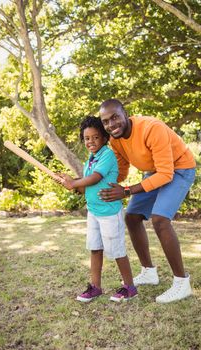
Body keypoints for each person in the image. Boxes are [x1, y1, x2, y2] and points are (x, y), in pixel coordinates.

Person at [98, 99, 196, 304]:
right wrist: (90, 183)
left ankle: (181, 282)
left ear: (125, 113)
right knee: (132, 217)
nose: (111, 124)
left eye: (115, 117)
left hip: (179, 168)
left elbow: (166, 174)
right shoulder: (115, 140)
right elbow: (121, 172)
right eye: (105, 121)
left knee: (160, 219)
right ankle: (149, 272)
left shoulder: (152, 128)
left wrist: (126, 191)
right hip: (154, 172)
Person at [57, 116, 137, 303]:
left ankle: (129, 287)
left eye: (95, 137)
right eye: (87, 138)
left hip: (109, 213)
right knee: (95, 249)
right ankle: (96, 287)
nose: (90, 142)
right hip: (93, 212)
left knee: (117, 251)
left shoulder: (107, 155)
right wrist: (72, 184)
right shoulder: (90, 160)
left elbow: (95, 178)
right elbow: (87, 186)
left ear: (104, 138)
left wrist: (74, 182)